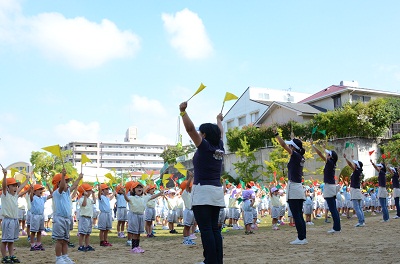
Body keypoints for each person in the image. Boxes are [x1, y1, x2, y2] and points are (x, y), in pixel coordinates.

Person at [180, 101, 225, 264]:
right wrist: (219, 119)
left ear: (204, 135)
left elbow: (190, 130)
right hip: (216, 191)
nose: (199, 134)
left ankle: (209, 261)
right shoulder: (220, 146)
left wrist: (183, 112)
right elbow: (221, 132)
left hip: (203, 191)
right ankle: (217, 260)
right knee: (214, 229)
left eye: (201, 133)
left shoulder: (205, 146)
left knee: (206, 229)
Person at [273, 128, 307, 245]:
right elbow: (291, 145)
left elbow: (283, 145)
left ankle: (301, 238)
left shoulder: (296, 155)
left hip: (294, 187)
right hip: (298, 187)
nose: (289, 148)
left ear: (294, 148)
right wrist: (293, 138)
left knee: (296, 214)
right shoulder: (300, 156)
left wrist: (277, 135)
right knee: (299, 214)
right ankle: (302, 237)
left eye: (291, 146)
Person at [122, 182, 164, 253]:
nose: (139, 189)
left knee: (138, 233)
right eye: (137, 187)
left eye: (141, 187)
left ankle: (137, 246)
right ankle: (133, 247)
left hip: (141, 215)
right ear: (134, 190)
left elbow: (152, 197)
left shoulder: (144, 198)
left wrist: (159, 194)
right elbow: (127, 199)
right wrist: (124, 193)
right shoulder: (132, 197)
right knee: (135, 233)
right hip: (134, 216)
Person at [52, 168, 83, 264]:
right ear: (59, 183)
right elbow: (61, 187)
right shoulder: (58, 192)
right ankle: (58, 258)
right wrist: (62, 176)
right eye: (66, 182)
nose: (68, 184)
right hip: (59, 219)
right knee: (59, 240)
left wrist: (79, 178)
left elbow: (74, 185)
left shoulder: (67, 192)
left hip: (67, 219)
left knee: (65, 240)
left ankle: (65, 257)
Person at [1, 168, 30, 263]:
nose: (15, 188)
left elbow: (21, 186)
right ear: (8, 187)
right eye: (13, 186)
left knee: (11, 240)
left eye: (15, 186)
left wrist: (27, 179)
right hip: (8, 220)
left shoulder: (15, 195)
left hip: (14, 220)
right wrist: (5, 175)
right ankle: (5, 257)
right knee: (5, 240)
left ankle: (11, 256)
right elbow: (4, 186)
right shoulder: (5, 195)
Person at [311, 142, 341, 233]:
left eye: (328, 154)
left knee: (332, 208)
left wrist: (314, 146)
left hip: (329, 186)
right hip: (331, 186)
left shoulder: (330, 162)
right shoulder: (331, 163)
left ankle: (336, 228)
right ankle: (337, 227)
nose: (326, 154)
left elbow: (320, 154)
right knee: (333, 208)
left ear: (330, 156)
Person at [343, 154, 365, 227]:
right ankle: (362, 220)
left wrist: (346, 158)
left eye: (355, 164)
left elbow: (349, 164)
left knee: (356, 207)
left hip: (355, 190)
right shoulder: (358, 171)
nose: (354, 165)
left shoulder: (356, 171)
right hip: (357, 190)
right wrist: (353, 159)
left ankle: (360, 221)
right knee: (359, 207)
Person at [29, 183, 52, 251]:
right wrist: (31, 190)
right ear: (35, 191)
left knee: (39, 231)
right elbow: (31, 197)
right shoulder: (33, 198)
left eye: (41, 189)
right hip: (35, 216)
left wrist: (48, 187)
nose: (41, 191)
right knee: (33, 231)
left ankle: (38, 244)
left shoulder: (42, 198)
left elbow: (52, 195)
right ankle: (32, 245)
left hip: (41, 216)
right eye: (39, 189)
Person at [77, 183, 96, 252]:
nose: (90, 192)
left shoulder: (89, 199)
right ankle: (80, 246)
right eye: (89, 191)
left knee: (88, 233)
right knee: (82, 233)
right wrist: (85, 196)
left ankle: (87, 245)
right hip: (84, 217)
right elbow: (84, 205)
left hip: (89, 217)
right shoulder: (81, 199)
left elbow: (94, 201)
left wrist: (93, 194)